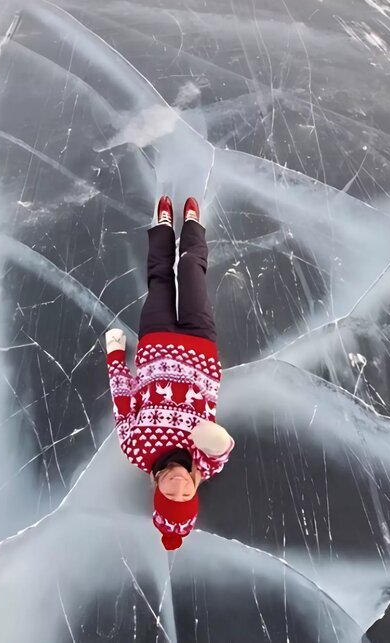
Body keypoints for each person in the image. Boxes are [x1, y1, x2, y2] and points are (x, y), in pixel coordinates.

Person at [104, 195, 235, 551]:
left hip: (157, 340)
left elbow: (123, 401)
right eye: (186, 491)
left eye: (170, 492)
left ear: (157, 490)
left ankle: (163, 225)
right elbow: (222, 447)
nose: (179, 483)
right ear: (194, 490)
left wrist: (115, 358)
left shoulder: (136, 450)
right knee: (192, 271)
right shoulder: (205, 463)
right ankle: (192, 224)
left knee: (160, 279)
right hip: (199, 345)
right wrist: (214, 440)